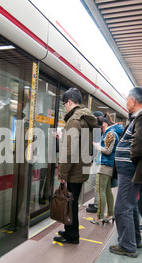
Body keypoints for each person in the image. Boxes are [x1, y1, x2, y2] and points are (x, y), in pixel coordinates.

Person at [110, 87, 142, 257]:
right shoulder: (140, 118)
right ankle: (134, 240)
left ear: (133, 100)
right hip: (129, 170)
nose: (126, 102)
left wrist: (131, 160)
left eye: (127, 99)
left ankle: (127, 245)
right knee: (131, 207)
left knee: (122, 208)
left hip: (130, 170)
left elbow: (140, 143)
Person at [54, 88, 98, 244]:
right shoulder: (86, 118)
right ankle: (69, 231)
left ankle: (72, 236)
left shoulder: (74, 120)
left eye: (65, 104)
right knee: (72, 202)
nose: (65, 107)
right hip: (81, 168)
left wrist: (62, 173)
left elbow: (69, 150)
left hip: (73, 170)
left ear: (70, 102)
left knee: (70, 204)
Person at [91, 115, 124, 225]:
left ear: (104, 124)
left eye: (100, 127)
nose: (100, 129)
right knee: (107, 191)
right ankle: (110, 214)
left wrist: (97, 146)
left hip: (104, 165)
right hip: (109, 165)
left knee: (100, 191)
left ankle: (99, 216)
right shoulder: (114, 132)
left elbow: (108, 150)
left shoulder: (110, 133)